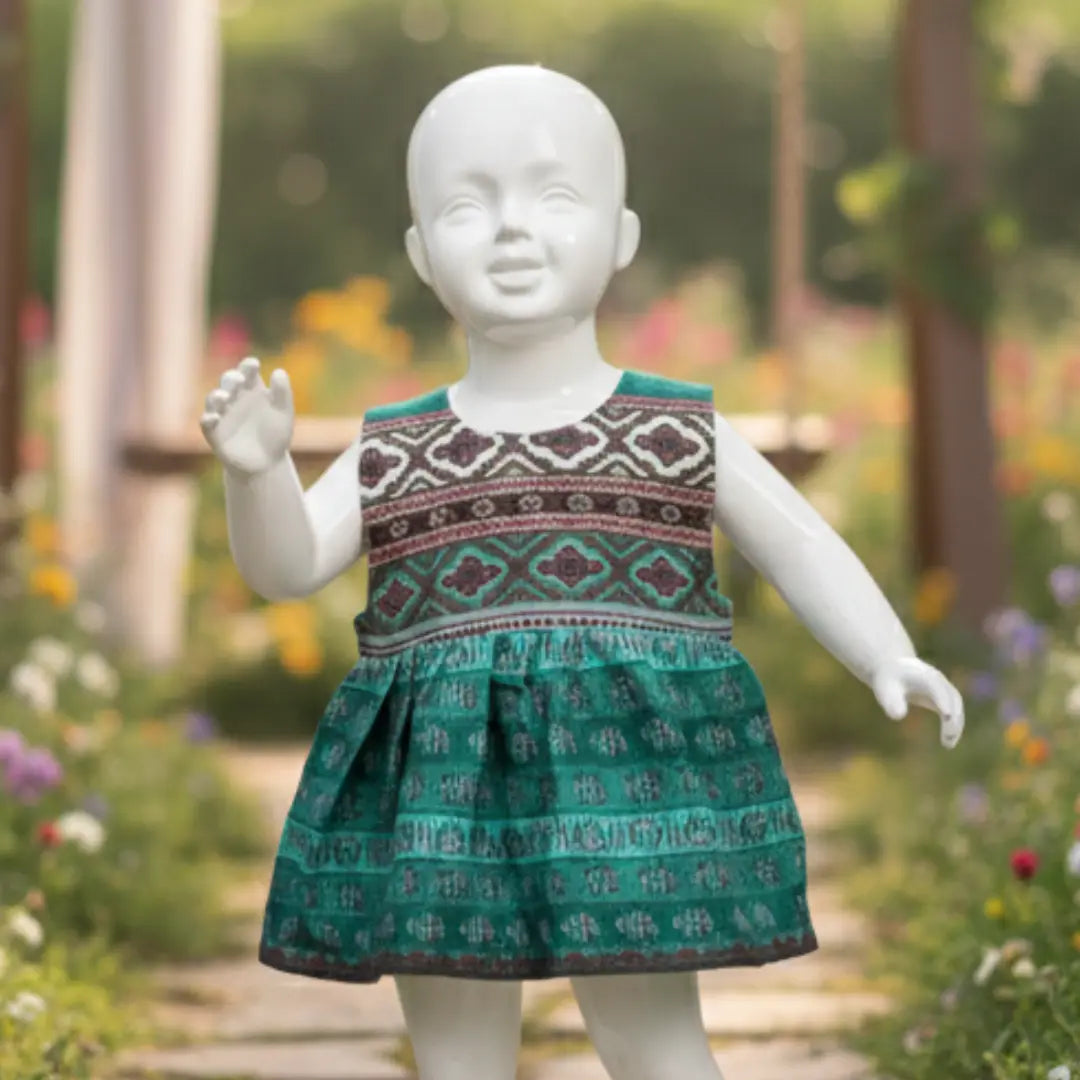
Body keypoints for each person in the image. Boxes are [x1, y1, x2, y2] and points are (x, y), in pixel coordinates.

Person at [200, 64, 964, 1080]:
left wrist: (886, 651)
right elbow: (289, 569)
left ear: (622, 236)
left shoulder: (675, 428)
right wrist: (257, 480)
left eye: (555, 197)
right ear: (424, 255)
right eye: (468, 207)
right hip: (440, 794)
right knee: (459, 1055)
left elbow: (799, 541)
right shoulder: (395, 448)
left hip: (629, 785)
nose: (513, 230)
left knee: (654, 1043)